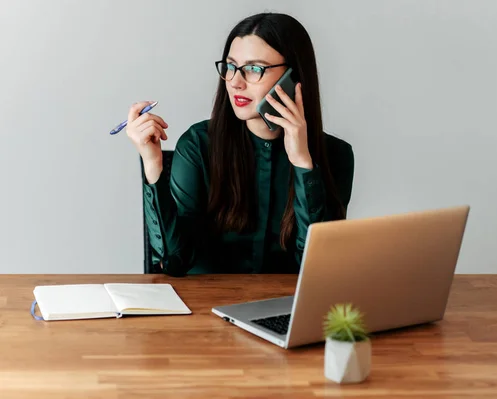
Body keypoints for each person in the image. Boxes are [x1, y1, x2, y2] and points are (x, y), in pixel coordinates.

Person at [126, 12, 354, 276]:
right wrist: (153, 164)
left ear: (293, 77)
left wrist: (303, 164)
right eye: (231, 66)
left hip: (286, 311)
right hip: (205, 309)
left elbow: (318, 268)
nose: (235, 81)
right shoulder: (198, 146)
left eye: (254, 68)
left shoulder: (336, 155)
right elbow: (175, 262)